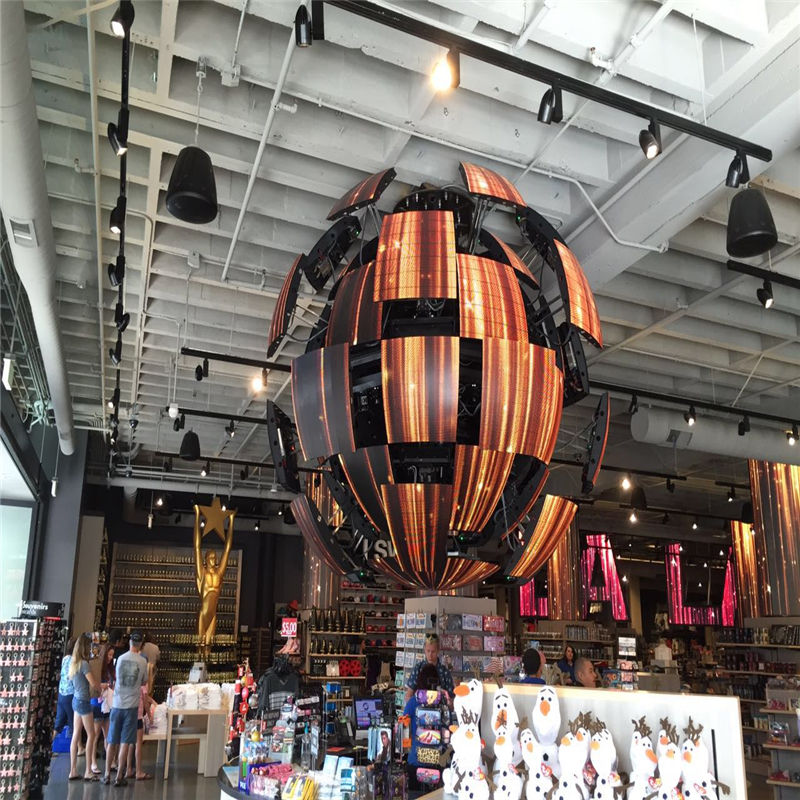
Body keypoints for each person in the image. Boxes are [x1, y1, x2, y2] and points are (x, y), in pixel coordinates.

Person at [103, 632, 148, 787]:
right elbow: (144, 681)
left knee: (111, 740)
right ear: (140, 645)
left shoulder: (120, 659)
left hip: (117, 704)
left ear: (130, 643)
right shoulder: (142, 662)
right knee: (125, 742)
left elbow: (116, 677)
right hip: (132, 707)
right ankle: (119, 777)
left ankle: (107, 774)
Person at [68, 635, 101, 781]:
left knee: (76, 734)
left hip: (76, 700)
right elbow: (93, 683)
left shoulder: (73, 663)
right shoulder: (85, 665)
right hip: (84, 701)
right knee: (91, 735)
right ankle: (88, 770)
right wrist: (101, 688)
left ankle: (73, 770)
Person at [403, 663, 440, 790]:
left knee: (415, 795)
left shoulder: (413, 702)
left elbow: (404, 728)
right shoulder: (441, 702)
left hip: (415, 760)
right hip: (436, 761)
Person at [404, 633, 454, 702]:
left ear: (438, 651)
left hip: (440, 706)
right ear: (424, 649)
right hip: (419, 706)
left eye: (433, 652)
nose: (430, 655)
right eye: (428, 651)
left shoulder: (444, 672)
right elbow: (408, 695)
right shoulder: (418, 668)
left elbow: (451, 697)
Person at [91, 644, 115, 775]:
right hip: (97, 704)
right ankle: (93, 762)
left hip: (108, 704)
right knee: (95, 736)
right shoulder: (97, 668)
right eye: (109, 655)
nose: (110, 658)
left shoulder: (110, 669)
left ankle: (110, 762)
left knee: (107, 735)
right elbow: (92, 685)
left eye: (112, 655)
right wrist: (103, 685)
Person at [125, 683, 157, 780]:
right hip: (138, 717)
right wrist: (149, 716)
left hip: (128, 716)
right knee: (138, 744)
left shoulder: (129, 683)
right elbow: (146, 703)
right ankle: (138, 771)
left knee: (130, 744)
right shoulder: (143, 686)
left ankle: (128, 769)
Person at [55, 636, 77, 735]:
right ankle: (75, 743)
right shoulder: (76, 661)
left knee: (58, 724)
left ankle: (52, 741)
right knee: (74, 724)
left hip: (61, 693)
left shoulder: (65, 658)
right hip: (70, 694)